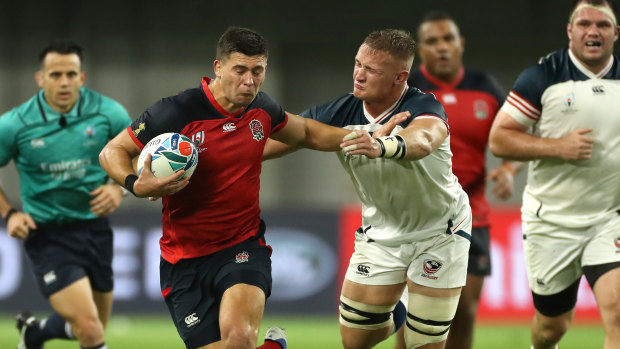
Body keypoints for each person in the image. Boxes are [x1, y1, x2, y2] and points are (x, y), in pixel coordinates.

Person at [98, 26, 402, 349]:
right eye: (240, 70)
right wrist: (135, 184)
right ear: (218, 68)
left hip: (241, 246)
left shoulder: (262, 108)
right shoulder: (176, 111)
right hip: (182, 261)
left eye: (258, 71)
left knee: (240, 339)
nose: (249, 81)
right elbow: (111, 152)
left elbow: (307, 133)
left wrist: (364, 137)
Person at [264, 29, 472, 349]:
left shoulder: (423, 106)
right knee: (354, 341)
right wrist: (217, 161)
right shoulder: (341, 112)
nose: (359, 75)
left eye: (371, 70)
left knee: (423, 344)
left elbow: (424, 139)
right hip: (382, 234)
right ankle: (400, 305)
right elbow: (287, 137)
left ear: (399, 77)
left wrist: (383, 145)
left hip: (440, 232)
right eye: (357, 64)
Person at [489, 1, 620, 348]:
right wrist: (557, 147)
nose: (593, 31)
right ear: (570, 31)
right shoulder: (543, 77)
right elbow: (500, 139)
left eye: (603, 25)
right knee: (552, 327)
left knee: (618, 312)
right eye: (584, 23)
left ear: (616, 33)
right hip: (552, 223)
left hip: (609, 218)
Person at [392, 11, 518, 349]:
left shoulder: (486, 87)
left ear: (461, 44)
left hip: (473, 215)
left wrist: (508, 169)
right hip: (417, 217)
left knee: (463, 313)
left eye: (448, 39)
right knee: (414, 315)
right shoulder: (405, 90)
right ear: (422, 50)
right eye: (432, 41)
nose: (442, 47)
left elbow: (516, 136)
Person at [0, 40, 131, 349]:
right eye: (55, 74)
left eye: (71, 74)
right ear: (40, 78)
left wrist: (119, 188)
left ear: (81, 78)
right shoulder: (14, 125)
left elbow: (139, 155)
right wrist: (9, 214)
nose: (63, 82)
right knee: (90, 331)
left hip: (96, 229)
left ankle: (35, 334)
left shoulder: (109, 113)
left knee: (95, 324)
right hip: (47, 234)